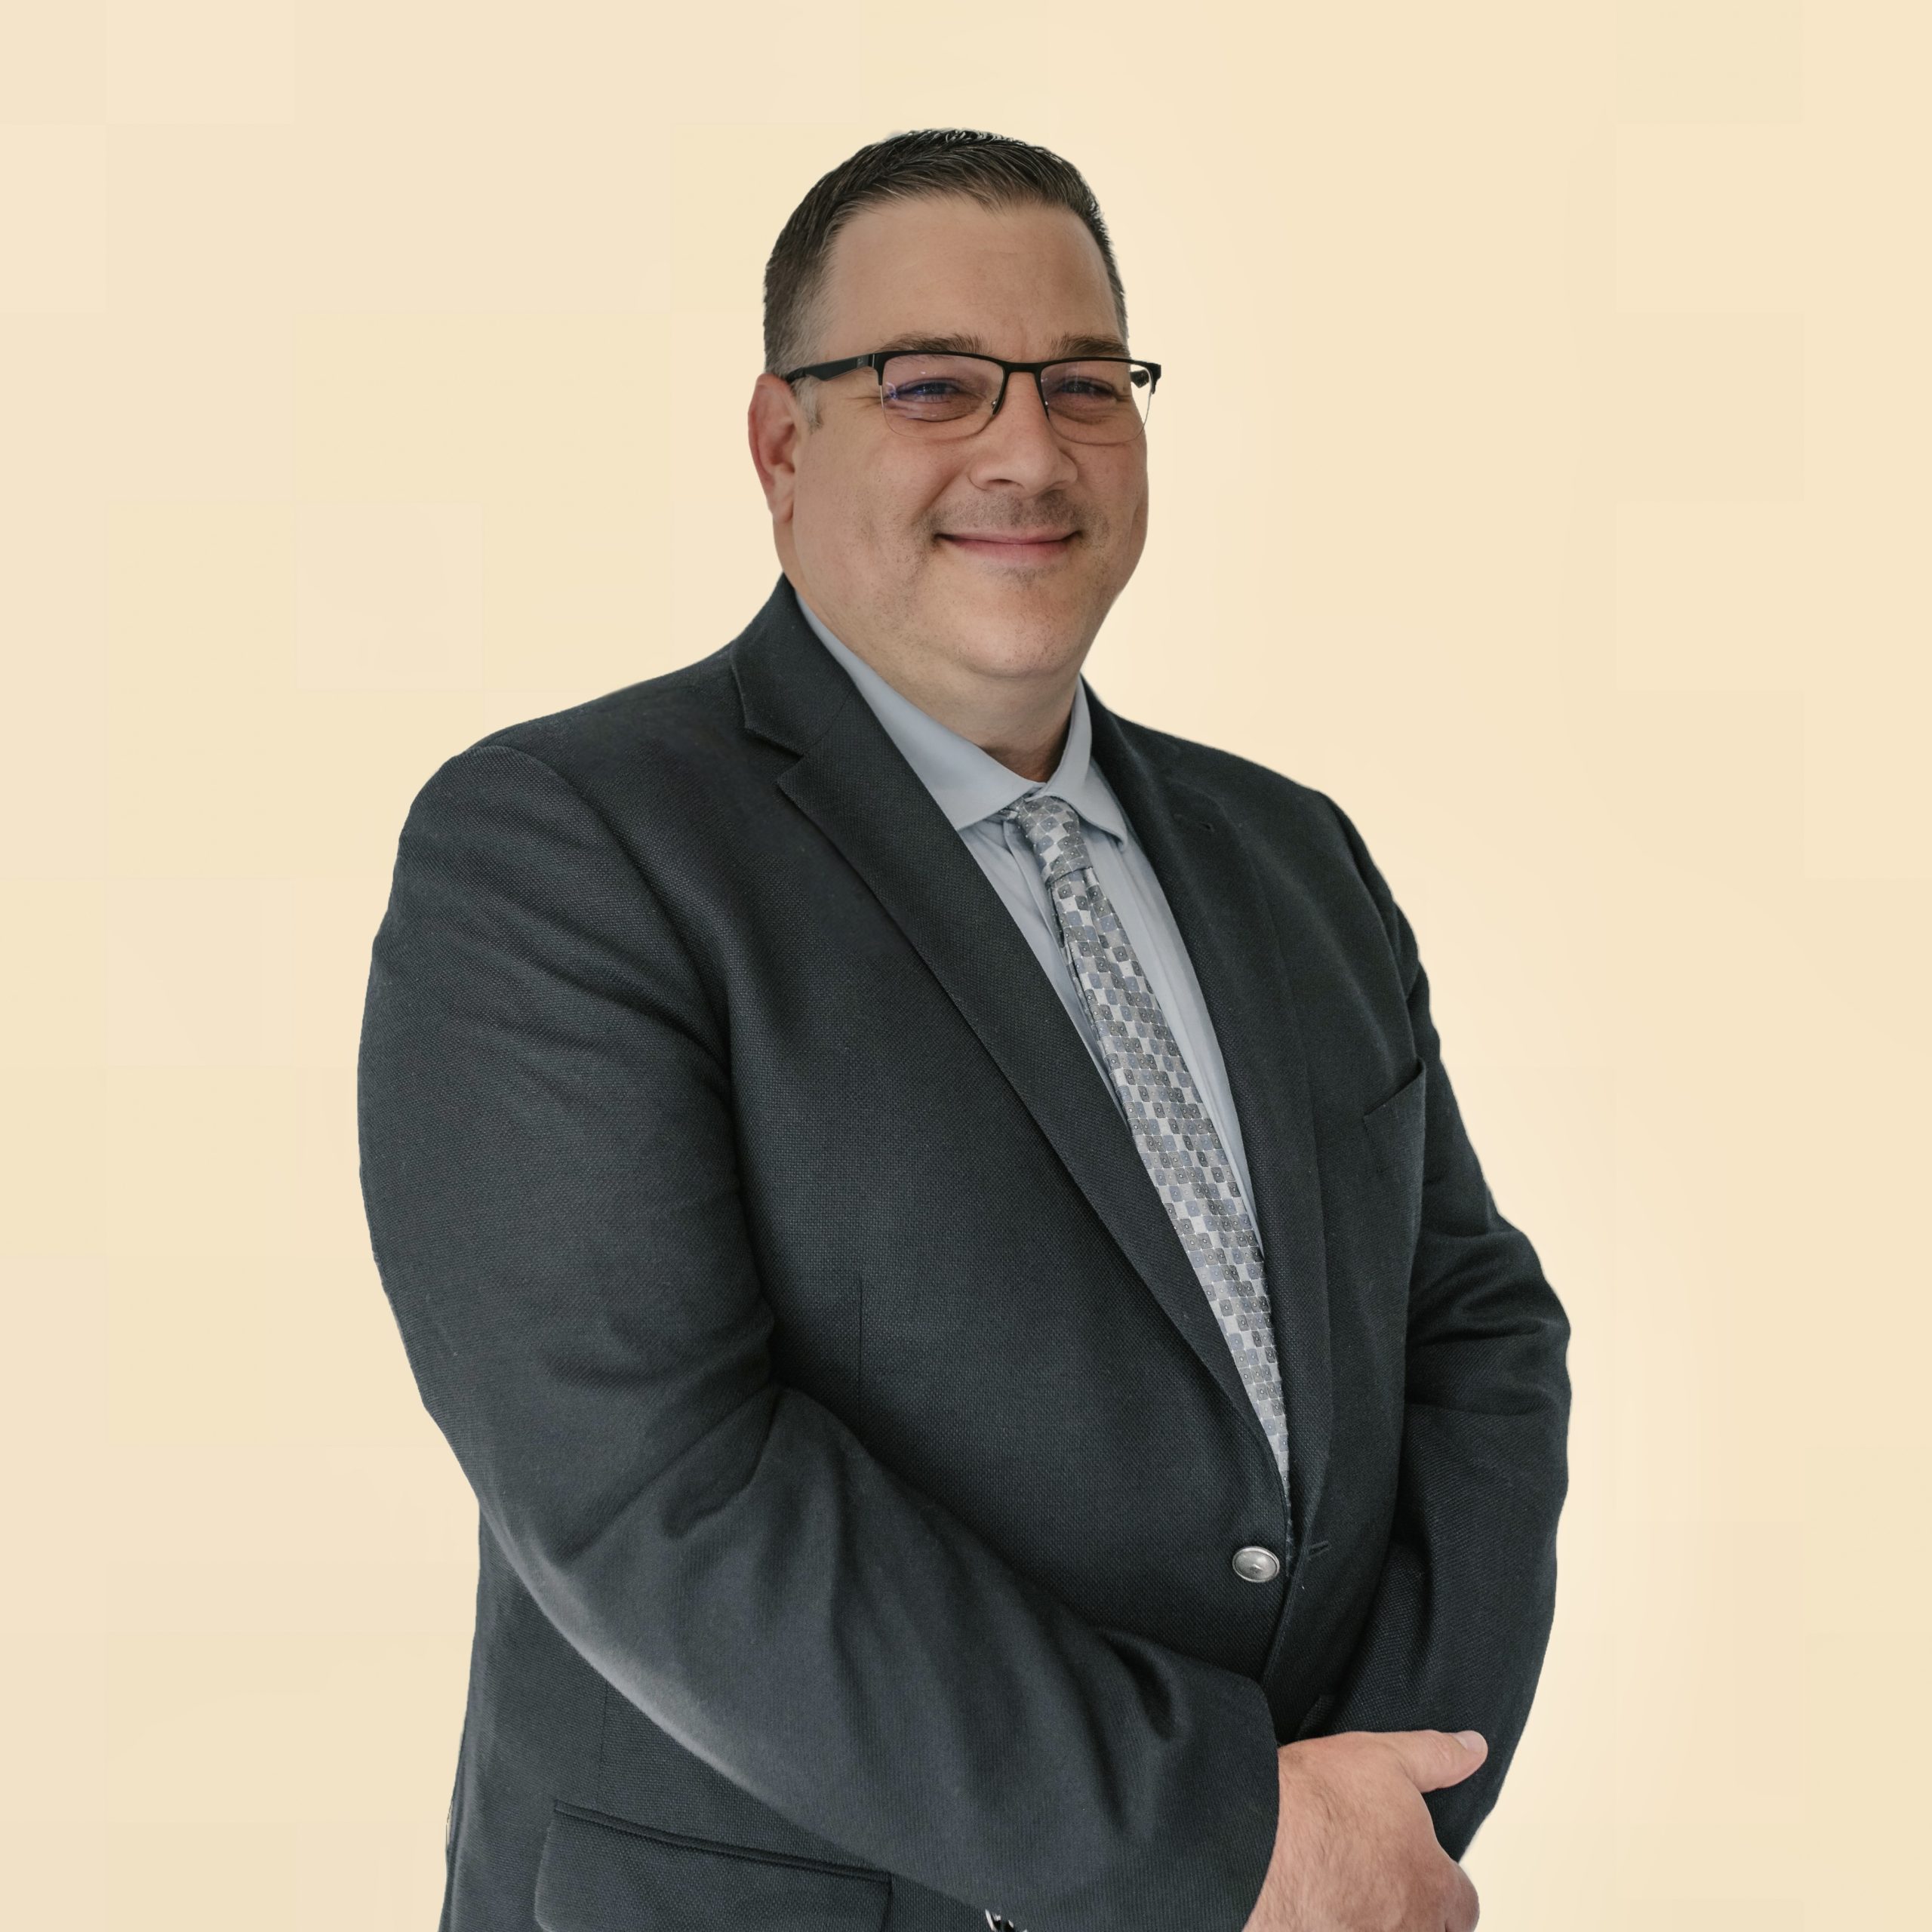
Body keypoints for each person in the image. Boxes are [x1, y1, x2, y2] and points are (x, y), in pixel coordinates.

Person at [356, 128, 1571, 1932]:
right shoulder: (567, 846)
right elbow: (656, 1492)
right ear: (782, 444)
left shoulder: (1290, 854)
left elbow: (1469, 1328)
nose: (1024, 448)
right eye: (932, 384)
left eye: (1085, 384)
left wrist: (1379, 1805)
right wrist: (1219, 1835)